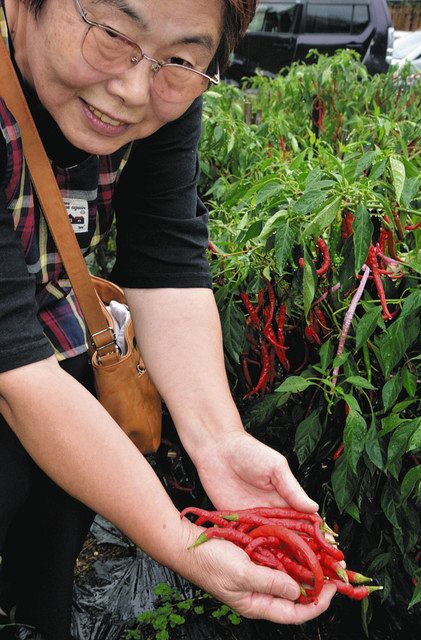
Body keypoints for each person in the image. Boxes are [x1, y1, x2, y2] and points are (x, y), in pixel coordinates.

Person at [0, 0, 337, 638]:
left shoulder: (160, 89)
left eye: (180, 60)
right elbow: (15, 369)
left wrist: (219, 440)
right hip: (18, 361)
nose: (131, 89)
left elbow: (163, 255)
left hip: (42, 337)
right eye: (111, 35)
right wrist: (178, 540)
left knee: (57, 516)